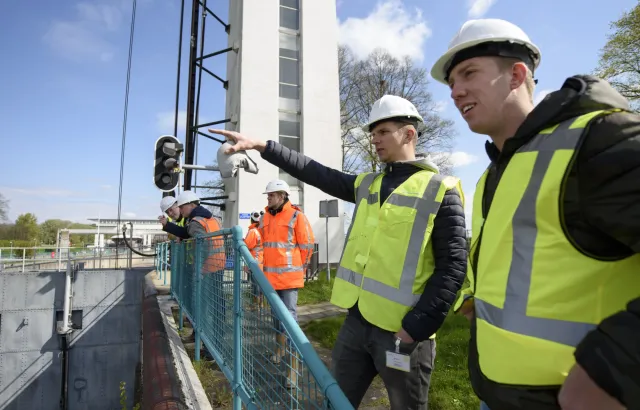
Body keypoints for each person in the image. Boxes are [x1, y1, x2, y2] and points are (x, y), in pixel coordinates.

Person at [431, 18, 640, 410]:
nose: (456, 91)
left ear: (516, 75)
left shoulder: (599, 139)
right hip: (495, 394)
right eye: (451, 83)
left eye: (468, 73)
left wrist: (618, 370)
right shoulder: (494, 174)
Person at [210, 95, 468, 409]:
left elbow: (453, 267)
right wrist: (263, 146)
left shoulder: (442, 189)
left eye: (383, 131)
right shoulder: (368, 184)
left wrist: (416, 328)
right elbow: (315, 172)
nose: (374, 139)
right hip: (356, 326)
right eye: (373, 133)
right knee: (336, 402)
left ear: (409, 134)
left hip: (404, 336)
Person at [258, 179, 314, 388]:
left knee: (290, 322)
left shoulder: (297, 216)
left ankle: (293, 368)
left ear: (282, 196)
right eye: (268, 195)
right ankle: (280, 351)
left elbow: (307, 245)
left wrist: (300, 268)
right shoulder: (265, 217)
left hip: (289, 279)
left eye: (271, 195)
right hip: (271, 279)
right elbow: (263, 246)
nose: (268, 198)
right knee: (276, 319)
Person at [176, 190, 226, 351]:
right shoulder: (211, 218)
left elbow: (202, 244)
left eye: (182, 207)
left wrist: (200, 269)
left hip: (207, 270)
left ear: (191, 205)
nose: (180, 211)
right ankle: (209, 341)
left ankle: (208, 346)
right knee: (215, 307)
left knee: (203, 308)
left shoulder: (196, 222)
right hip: (218, 266)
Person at [244, 210, 264, 309]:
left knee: (255, 285)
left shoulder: (253, 232)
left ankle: (255, 305)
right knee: (260, 284)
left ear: (251, 220)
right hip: (261, 261)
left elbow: (246, 245)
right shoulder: (261, 230)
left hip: (254, 262)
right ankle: (261, 303)